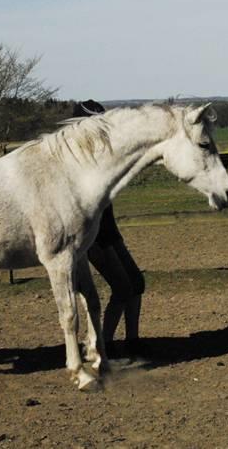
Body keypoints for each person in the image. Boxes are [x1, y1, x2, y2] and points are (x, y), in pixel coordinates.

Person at [72, 100, 145, 359]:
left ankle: (133, 341)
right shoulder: (78, 161)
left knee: (137, 283)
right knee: (123, 288)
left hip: (109, 230)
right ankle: (101, 344)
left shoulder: (100, 155)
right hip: (94, 236)